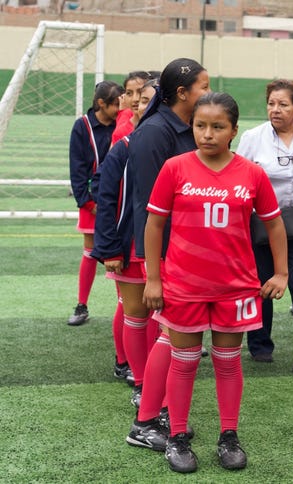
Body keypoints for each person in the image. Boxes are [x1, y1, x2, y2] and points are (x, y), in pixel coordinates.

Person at [144, 92, 288, 473]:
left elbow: (274, 223)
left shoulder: (252, 173)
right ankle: (176, 437)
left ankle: (228, 436)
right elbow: (155, 224)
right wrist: (154, 279)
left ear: (234, 131)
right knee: (184, 361)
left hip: (236, 287)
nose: (207, 134)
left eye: (217, 127)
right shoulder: (175, 168)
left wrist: (281, 272)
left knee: (227, 363)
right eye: (200, 125)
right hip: (182, 286)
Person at [124, 58, 210, 453]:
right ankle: (145, 421)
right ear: (182, 93)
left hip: (188, 253)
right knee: (169, 336)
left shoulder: (189, 129)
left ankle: (157, 414)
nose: (208, 93)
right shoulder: (154, 133)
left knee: (171, 338)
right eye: (203, 86)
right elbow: (148, 206)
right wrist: (153, 267)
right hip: (166, 254)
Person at [236, 79, 293, 372]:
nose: (275, 110)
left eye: (283, 104)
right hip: (260, 222)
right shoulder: (253, 137)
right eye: (271, 103)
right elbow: (239, 180)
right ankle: (260, 345)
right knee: (261, 282)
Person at [92, 76, 161, 409]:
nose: (143, 105)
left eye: (150, 99)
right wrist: (109, 248)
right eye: (140, 100)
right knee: (136, 313)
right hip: (131, 246)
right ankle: (141, 380)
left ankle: (157, 381)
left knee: (161, 320)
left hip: (168, 249)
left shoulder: (182, 147)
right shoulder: (125, 145)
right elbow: (105, 197)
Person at [67, 80, 122, 327]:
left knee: (120, 254)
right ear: (102, 103)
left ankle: (126, 306)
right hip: (93, 201)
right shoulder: (83, 126)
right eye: (116, 103)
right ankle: (82, 305)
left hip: (119, 199)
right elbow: (77, 167)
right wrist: (88, 203)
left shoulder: (123, 123)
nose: (121, 107)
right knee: (90, 251)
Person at [112, 71, 151, 145]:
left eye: (140, 92)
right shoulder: (120, 133)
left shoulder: (161, 125)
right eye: (129, 93)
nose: (135, 99)